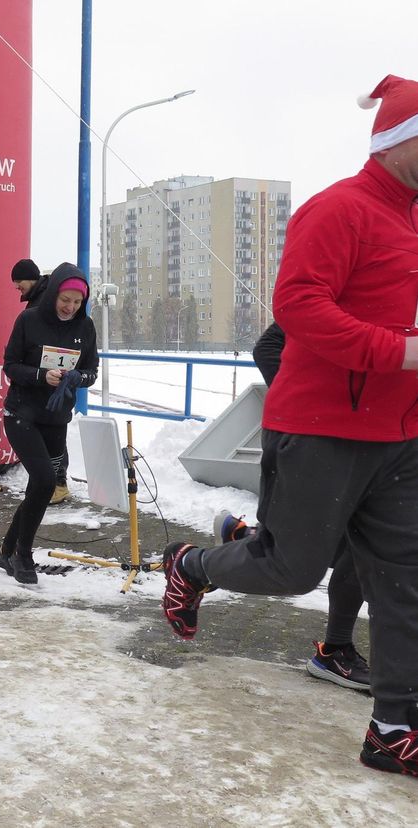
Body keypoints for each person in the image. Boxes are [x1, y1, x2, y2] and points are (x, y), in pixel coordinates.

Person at [159, 75, 418, 778]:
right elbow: (298, 306)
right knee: (291, 567)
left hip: (401, 436)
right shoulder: (341, 210)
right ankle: (191, 565)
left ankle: (393, 729)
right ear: (400, 141)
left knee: (403, 581)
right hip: (322, 427)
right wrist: (399, 350)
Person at [214, 322, 369, 692]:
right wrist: (310, 402)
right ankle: (198, 563)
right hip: (315, 439)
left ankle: (247, 539)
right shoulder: (338, 291)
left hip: (374, 442)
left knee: (361, 546)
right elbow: (267, 347)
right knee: (305, 560)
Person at [0, 263, 98, 584]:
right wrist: (41, 375)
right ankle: (23, 553)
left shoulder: (86, 327)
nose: (70, 307)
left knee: (39, 489)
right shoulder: (29, 320)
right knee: (44, 481)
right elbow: (10, 365)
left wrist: (78, 377)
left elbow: (92, 372)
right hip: (22, 415)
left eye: (77, 302)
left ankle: (6, 549)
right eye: (65, 300)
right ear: (53, 295)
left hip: (56, 419)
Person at [10, 258, 72, 505]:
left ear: (30, 278)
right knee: (47, 433)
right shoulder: (36, 301)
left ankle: (57, 484)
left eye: (19, 282)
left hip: (52, 381)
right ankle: (48, 483)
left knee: (53, 433)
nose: (16, 287)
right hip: (40, 379)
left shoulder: (46, 301)